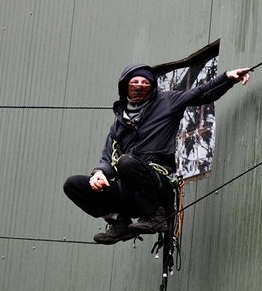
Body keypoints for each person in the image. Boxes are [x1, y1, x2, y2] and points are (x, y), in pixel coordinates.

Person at [64, 63, 251, 245]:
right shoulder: (119, 122)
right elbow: (107, 156)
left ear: (153, 87)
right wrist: (99, 174)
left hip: (157, 186)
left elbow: (201, 93)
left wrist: (227, 78)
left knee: (127, 162)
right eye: (134, 82)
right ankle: (118, 222)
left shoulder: (167, 101)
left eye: (145, 83)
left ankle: (156, 216)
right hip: (130, 192)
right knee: (74, 184)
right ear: (125, 86)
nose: (139, 86)